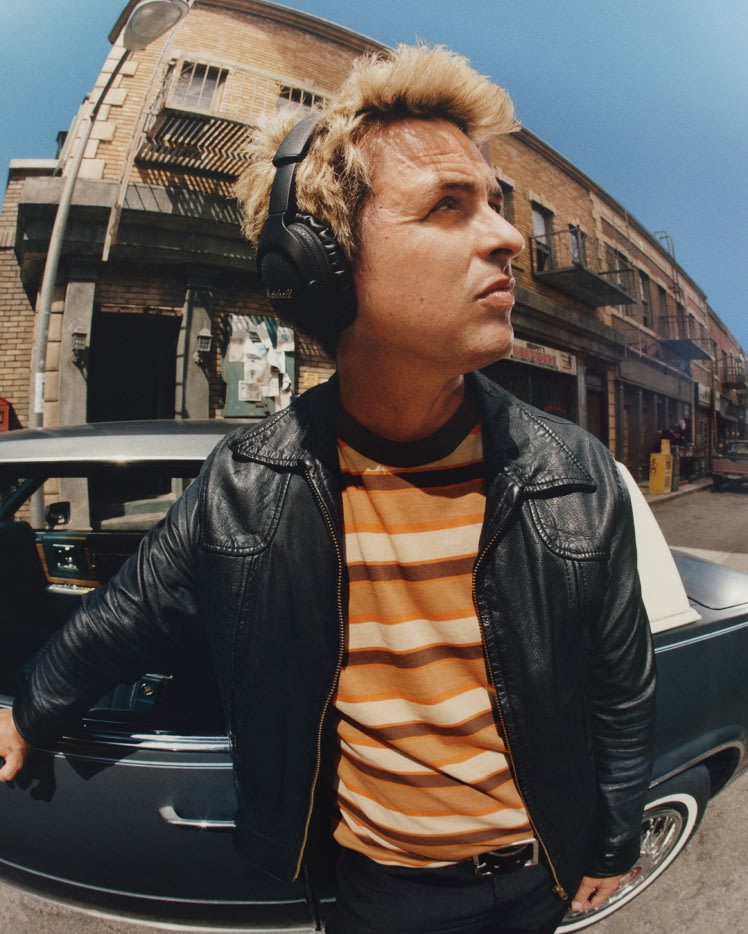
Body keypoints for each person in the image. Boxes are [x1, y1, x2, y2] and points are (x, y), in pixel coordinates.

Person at [0, 44, 656, 934]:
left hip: (542, 868)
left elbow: (619, 684)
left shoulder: (576, 472)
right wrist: (29, 711)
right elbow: (124, 619)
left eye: (496, 205)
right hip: (373, 894)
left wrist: (612, 845)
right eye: (448, 206)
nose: (505, 237)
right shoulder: (246, 486)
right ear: (322, 264)